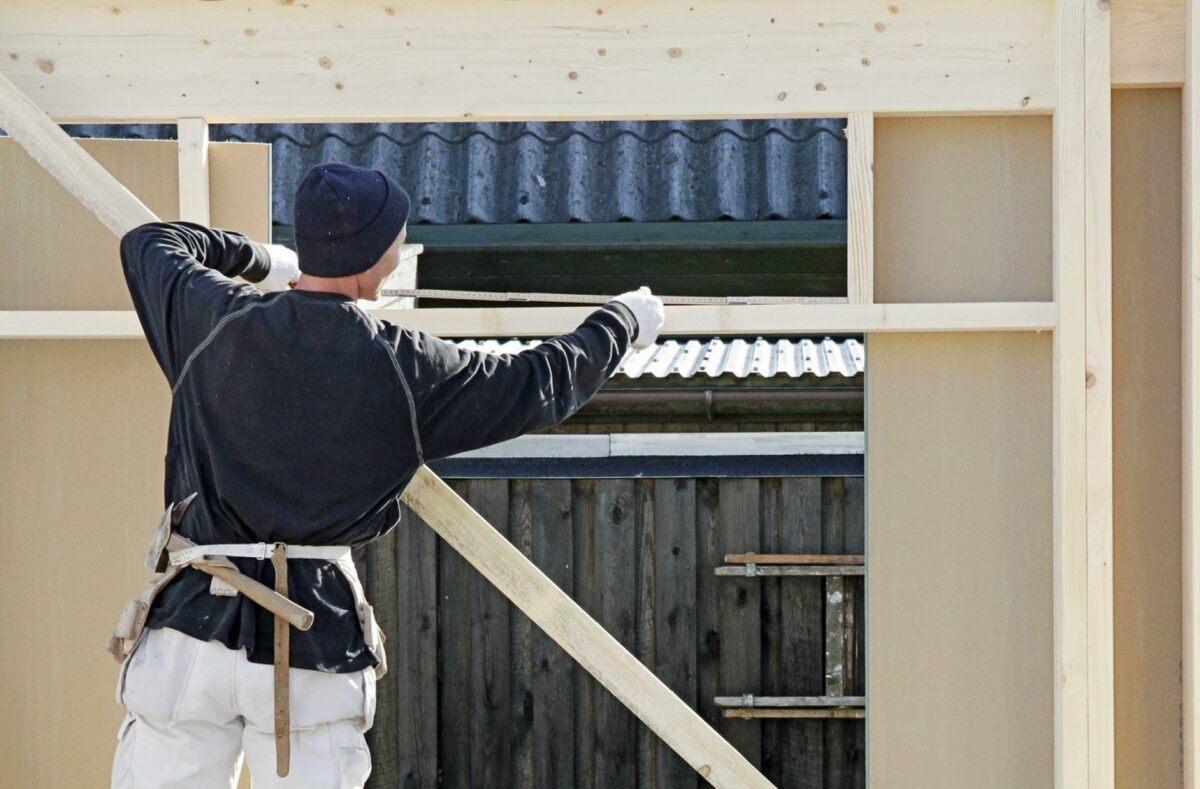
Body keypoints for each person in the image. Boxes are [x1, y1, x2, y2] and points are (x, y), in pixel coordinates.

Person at [108, 163, 665, 788]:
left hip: (189, 636)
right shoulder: (406, 367)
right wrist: (620, 323)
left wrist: (263, 261)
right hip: (309, 645)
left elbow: (148, 243)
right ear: (376, 257)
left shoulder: (214, 319)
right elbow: (538, 382)